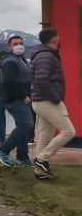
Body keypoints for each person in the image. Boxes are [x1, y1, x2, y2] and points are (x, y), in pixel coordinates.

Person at [30, 28, 75, 179]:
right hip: (47, 101)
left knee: (46, 135)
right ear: (54, 39)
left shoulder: (43, 54)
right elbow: (42, 79)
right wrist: (55, 98)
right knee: (69, 132)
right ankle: (42, 159)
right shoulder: (46, 55)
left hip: (41, 101)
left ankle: (40, 172)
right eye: (58, 36)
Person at [0, 36, 34, 167]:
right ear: (9, 46)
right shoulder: (10, 61)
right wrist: (23, 96)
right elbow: (8, 82)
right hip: (15, 99)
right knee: (27, 124)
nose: (19, 46)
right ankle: (3, 150)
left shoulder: (20, 59)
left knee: (22, 126)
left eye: (21, 43)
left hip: (20, 98)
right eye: (15, 44)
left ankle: (22, 157)